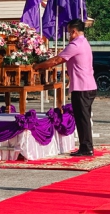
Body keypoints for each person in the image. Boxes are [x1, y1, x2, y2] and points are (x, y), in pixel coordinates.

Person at [33, 18, 97, 156]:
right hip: (89, 85)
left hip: (82, 87)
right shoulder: (84, 42)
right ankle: (87, 146)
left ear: (73, 31)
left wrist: (38, 66)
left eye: (69, 33)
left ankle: (86, 148)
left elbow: (57, 60)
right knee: (83, 118)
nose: (68, 36)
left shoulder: (75, 45)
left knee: (82, 118)